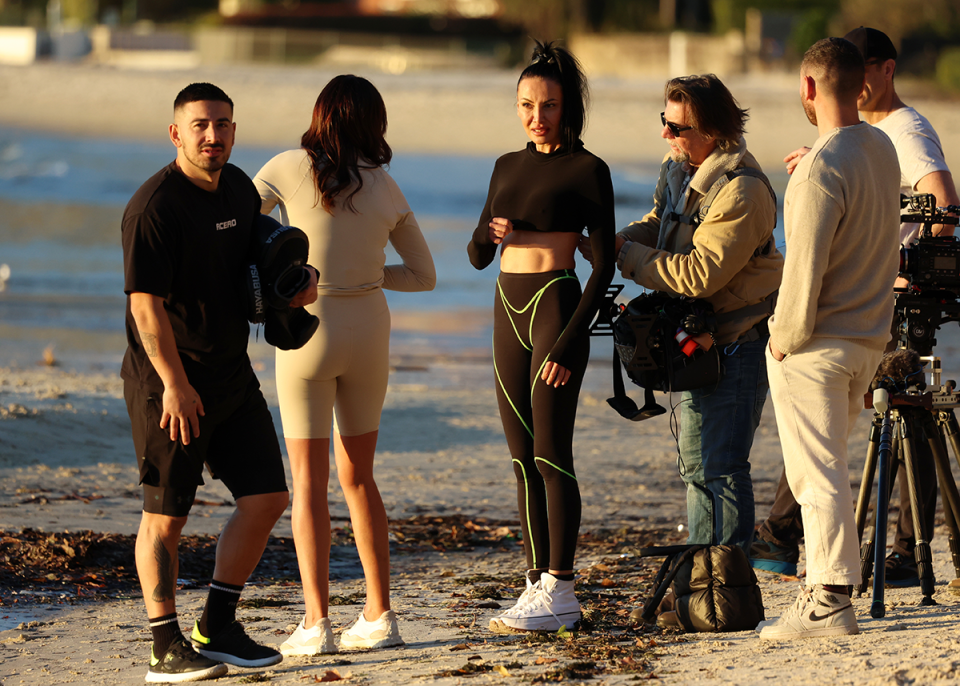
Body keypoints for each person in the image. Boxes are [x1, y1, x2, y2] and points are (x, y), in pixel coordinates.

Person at [752, 26, 960, 588]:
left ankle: (845, 578)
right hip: (870, 319)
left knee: (827, 461)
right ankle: (795, 548)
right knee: (829, 454)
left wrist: (900, 273)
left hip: (855, 317)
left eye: (868, 67)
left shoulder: (902, 132)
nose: (861, 81)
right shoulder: (873, 143)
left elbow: (944, 201)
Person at [122, 82, 315, 682]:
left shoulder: (237, 188)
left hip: (232, 375)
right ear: (176, 132)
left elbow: (254, 270)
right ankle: (163, 646)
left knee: (267, 498)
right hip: (169, 382)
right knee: (166, 517)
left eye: (224, 124)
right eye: (201, 125)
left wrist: (295, 289)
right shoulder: (155, 207)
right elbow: (145, 309)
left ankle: (219, 625)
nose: (214, 135)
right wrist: (176, 385)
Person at [253, 75, 436, 654]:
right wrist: (367, 275)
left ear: (320, 115)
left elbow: (236, 225)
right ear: (373, 124)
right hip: (369, 332)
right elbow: (425, 276)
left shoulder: (285, 166)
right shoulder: (388, 188)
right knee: (359, 477)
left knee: (309, 482)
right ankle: (380, 616)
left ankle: (315, 624)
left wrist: (277, 277)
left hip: (309, 329)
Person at [468, 40, 615, 633]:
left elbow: (601, 267)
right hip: (505, 305)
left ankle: (563, 584)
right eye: (527, 105)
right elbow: (478, 256)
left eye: (548, 105)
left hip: (556, 304)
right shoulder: (507, 165)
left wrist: (568, 342)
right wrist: (490, 231)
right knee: (521, 458)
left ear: (568, 108)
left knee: (553, 453)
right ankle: (536, 583)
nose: (536, 116)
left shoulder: (588, 170)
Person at [759, 37, 900, 640]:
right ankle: (828, 592)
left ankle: (830, 599)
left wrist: (781, 339)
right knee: (826, 470)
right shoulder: (882, 148)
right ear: (860, 86)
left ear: (809, 87)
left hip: (819, 344)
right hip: (868, 339)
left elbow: (804, 271)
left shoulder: (821, 166)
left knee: (817, 476)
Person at [608, 74, 782, 554]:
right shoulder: (680, 167)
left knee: (721, 468)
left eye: (677, 127)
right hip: (694, 345)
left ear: (711, 130)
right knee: (695, 468)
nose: (667, 135)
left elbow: (700, 275)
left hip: (737, 345)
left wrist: (624, 257)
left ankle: (726, 585)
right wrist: (615, 241)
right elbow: (659, 223)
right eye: (665, 122)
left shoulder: (743, 190)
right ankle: (700, 582)